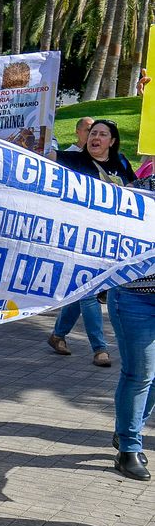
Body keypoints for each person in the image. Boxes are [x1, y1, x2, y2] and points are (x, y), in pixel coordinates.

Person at [51, 119, 136, 368]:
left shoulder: (120, 163)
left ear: (112, 141)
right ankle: (100, 348)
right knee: (88, 290)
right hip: (81, 240)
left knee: (82, 291)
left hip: (112, 240)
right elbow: (44, 154)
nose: (94, 137)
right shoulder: (75, 160)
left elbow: (134, 191)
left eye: (101, 133)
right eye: (92, 133)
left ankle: (57, 335)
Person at [110, 165, 155, 481]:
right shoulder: (137, 193)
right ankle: (128, 448)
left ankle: (130, 428)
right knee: (140, 373)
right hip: (135, 296)